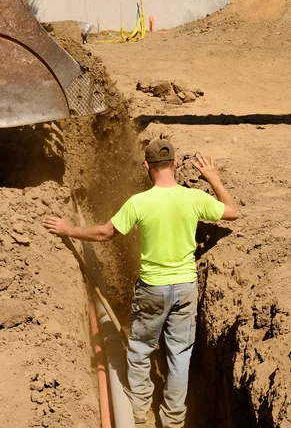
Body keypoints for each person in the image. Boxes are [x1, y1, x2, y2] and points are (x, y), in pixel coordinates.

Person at [43, 139, 239, 426]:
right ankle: (173, 420)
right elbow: (232, 212)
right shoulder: (194, 198)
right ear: (174, 164)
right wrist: (213, 179)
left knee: (139, 351)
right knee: (180, 356)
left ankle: (136, 413)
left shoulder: (139, 202)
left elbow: (103, 234)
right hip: (185, 287)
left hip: (152, 290)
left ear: (147, 166)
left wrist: (68, 228)